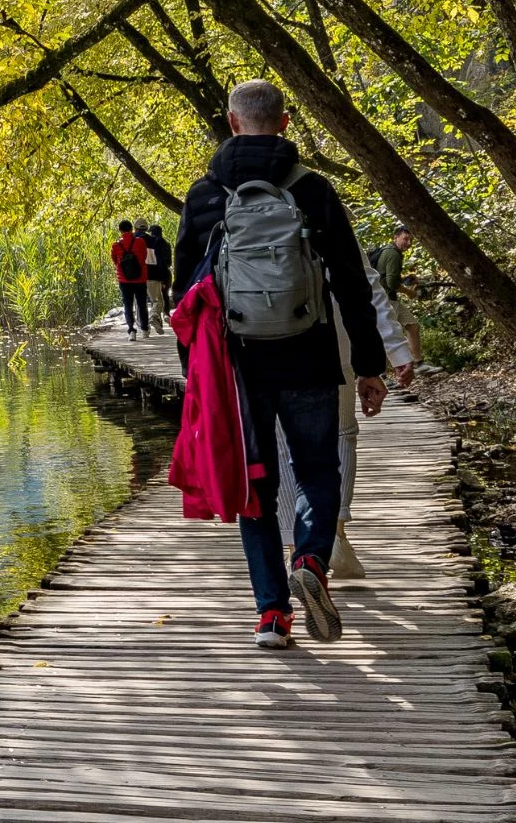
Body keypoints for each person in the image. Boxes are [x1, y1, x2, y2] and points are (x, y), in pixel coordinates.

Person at [172, 79, 388, 649]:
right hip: (310, 354)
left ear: (232, 122)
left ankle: (272, 616)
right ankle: (311, 560)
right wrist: (370, 366)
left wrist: (194, 375)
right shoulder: (312, 189)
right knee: (318, 470)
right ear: (285, 123)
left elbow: (184, 296)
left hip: (238, 367)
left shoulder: (206, 195)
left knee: (256, 488)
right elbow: (352, 283)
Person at [278, 247, 416, 580]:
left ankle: (295, 548)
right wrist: (396, 349)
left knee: (281, 442)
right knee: (340, 433)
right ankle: (335, 534)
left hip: (263, 340)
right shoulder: (324, 214)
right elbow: (366, 284)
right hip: (330, 339)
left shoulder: (233, 213)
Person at [371, 225, 423, 367]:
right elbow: (391, 283)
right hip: (386, 299)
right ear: (396, 238)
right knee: (388, 334)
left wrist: (407, 278)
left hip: (384, 297)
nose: (409, 243)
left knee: (411, 326)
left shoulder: (389, 251)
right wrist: (409, 292)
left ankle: (418, 363)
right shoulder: (393, 254)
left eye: (411, 240)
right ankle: (383, 372)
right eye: (405, 239)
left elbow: (387, 276)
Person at [110, 220, 153, 339]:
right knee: (142, 304)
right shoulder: (140, 242)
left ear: (120, 230)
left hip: (124, 280)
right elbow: (144, 257)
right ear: (132, 229)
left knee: (127, 305)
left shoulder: (116, 245)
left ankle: (131, 331)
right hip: (140, 279)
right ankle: (144, 329)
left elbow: (115, 261)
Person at [140, 221, 172, 332]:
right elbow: (168, 262)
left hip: (150, 274)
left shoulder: (150, 243)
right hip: (163, 274)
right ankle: (165, 315)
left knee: (153, 300)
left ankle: (153, 320)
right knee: (163, 297)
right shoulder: (166, 244)